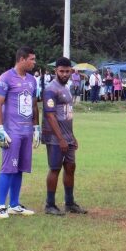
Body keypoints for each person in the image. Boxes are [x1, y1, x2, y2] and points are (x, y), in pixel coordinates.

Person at [0, 47, 40, 218]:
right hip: (11, 131)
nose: (34, 62)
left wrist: (36, 127)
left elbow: (34, 104)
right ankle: (1, 206)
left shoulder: (32, 80)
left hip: (26, 131)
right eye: (32, 59)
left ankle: (14, 204)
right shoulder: (6, 78)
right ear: (22, 59)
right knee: (7, 168)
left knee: (20, 168)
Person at [41, 57, 86, 215]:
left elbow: (67, 115)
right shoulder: (50, 90)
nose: (65, 74)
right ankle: (50, 205)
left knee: (70, 168)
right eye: (62, 71)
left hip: (68, 137)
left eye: (67, 71)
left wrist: (72, 136)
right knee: (55, 168)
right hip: (55, 137)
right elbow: (51, 116)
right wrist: (60, 139)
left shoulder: (66, 88)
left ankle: (69, 203)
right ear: (56, 71)